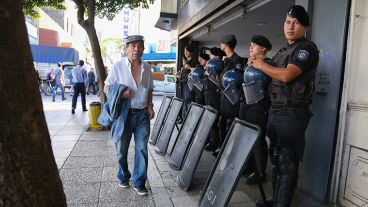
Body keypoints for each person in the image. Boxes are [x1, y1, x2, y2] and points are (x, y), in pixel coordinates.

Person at [249, 5, 319, 207]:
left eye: (296, 23)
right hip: (277, 111)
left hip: (292, 112)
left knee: (287, 162)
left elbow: (288, 75)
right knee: (277, 158)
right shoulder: (283, 51)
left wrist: (262, 65)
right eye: (288, 22)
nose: (290, 26)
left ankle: (282, 204)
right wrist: (258, 63)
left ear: (304, 26)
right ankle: (277, 199)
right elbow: (272, 73)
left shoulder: (306, 49)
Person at [104, 35, 155, 196]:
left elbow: (150, 88)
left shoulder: (147, 67)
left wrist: (150, 105)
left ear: (143, 49)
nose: (136, 49)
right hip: (123, 114)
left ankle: (139, 182)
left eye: (139, 46)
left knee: (142, 148)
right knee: (121, 150)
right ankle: (124, 175)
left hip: (142, 115)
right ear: (126, 48)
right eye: (132, 46)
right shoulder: (117, 66)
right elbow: (106, 88)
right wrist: (121, 94)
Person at [239, 35, 272, 185]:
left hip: (260, 106)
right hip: (247, 105)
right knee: (247, 137)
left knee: (258, 140)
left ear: (263, 48)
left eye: (254, 45)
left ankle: (260, 173)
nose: (250, 47)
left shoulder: (269, 65)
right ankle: (250, 167)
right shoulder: (250, 64)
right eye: (250, 45)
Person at [217, 34, 244, 155]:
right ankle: (223, 150)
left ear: (226, 44)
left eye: (222, 42)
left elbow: (237, 80)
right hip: (224, 98)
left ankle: (230, 153)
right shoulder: (226, 60)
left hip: (231, 100)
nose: (220, 44)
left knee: (230, 127)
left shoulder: (236, 60)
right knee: (222, 125)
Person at [203, 47, 225, 154]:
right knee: (211, 122)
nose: (210, 57)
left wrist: (211, 75)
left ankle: (216, 144)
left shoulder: (219, 66)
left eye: (211, 55)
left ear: (216, 56)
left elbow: (219, 81)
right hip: (209, 96)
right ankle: (213, 142)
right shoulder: (211, 66)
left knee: (215, 121)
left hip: (215, 97)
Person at [178, 44, 199, 120]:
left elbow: (198, 72)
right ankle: (183, 120)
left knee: (188, 103)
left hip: (189, 86)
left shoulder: (195, 61)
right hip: (183, 85)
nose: (185, 53)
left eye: (187, 51)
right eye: (184, 51)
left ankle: (188, 122)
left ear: (191, 53)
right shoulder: (186, 62)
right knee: (184, 103)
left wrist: (190, 67)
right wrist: (179, 75)